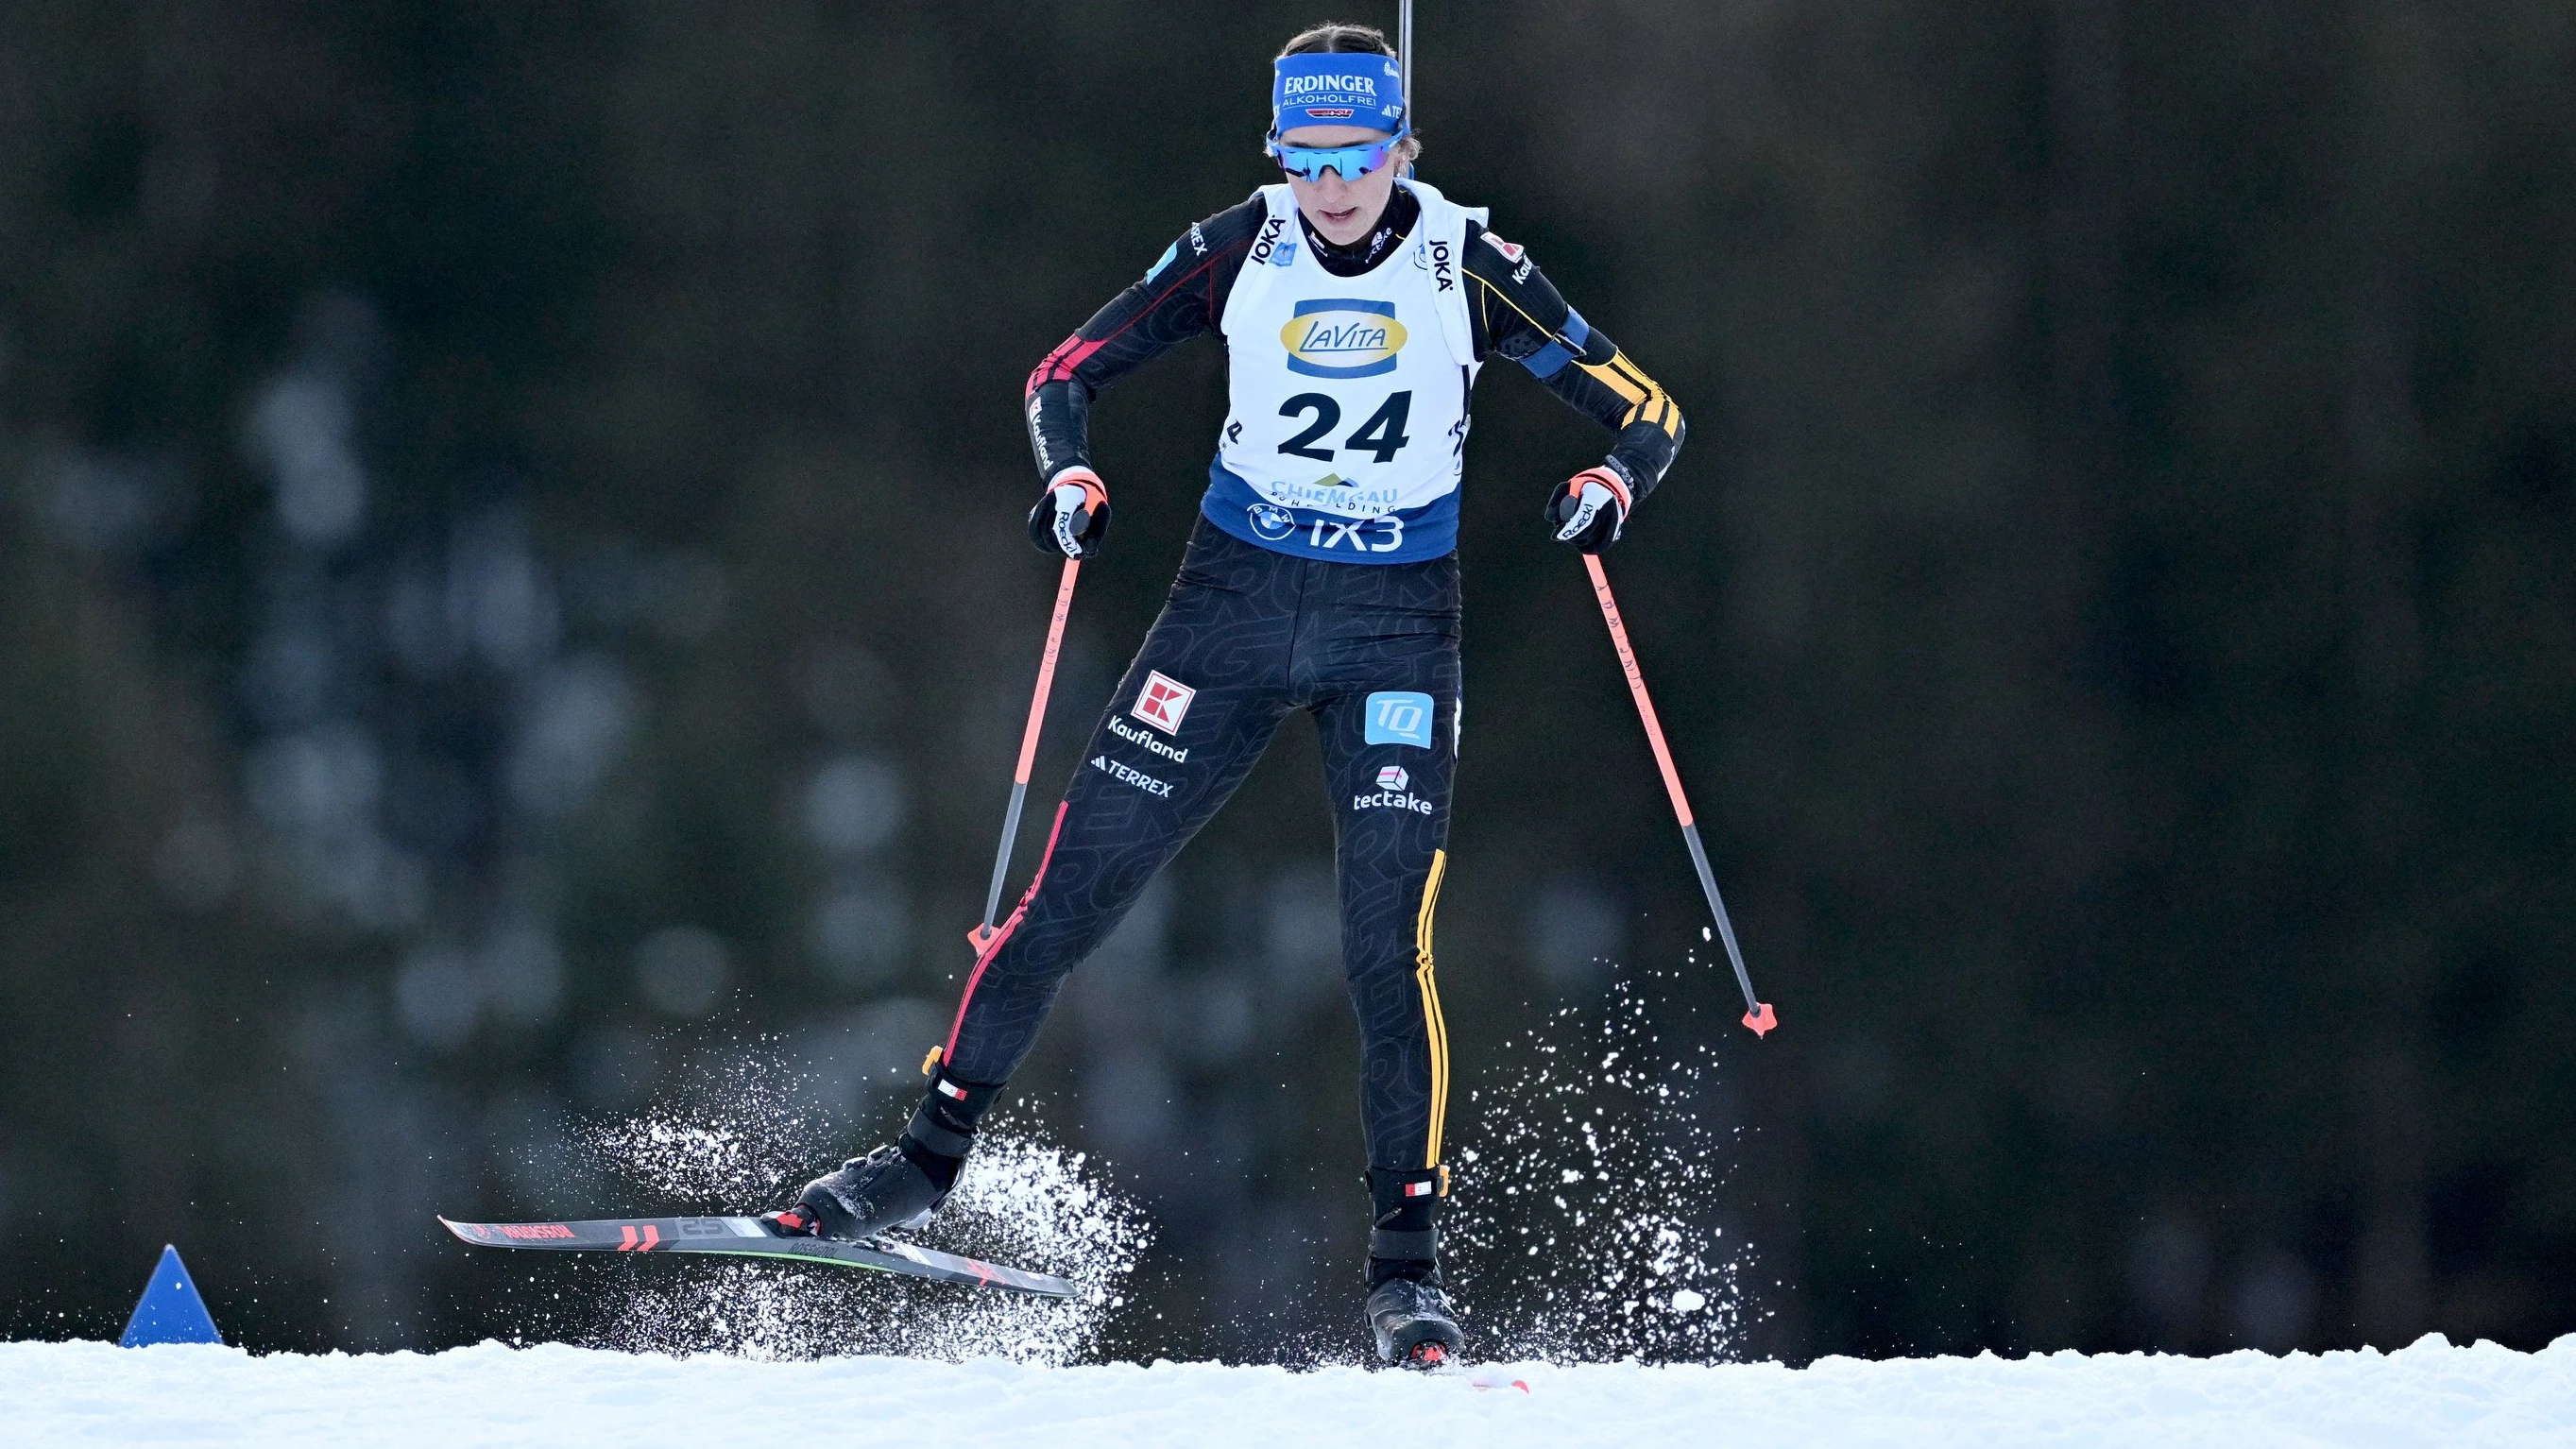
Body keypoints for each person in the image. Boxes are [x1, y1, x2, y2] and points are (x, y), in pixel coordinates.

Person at [768, 21, 1684, 1367]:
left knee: (1387, 945)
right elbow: (1061, 373)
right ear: (1278, 152)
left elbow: (1646, 407)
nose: (1330, 184)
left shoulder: (1466, 263)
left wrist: (1610, 483)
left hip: (1393, 628)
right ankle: (919, 1164)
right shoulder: (1239, 246)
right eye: (1304, 155)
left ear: (1401, 148)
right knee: (1068, 897)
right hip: (1230, 611)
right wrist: (1071, 475)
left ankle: (1406, 1274)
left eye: (1355, 153)